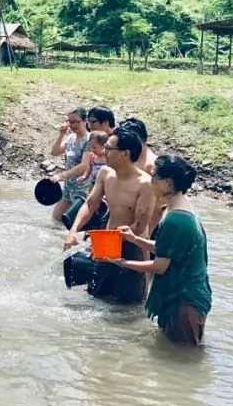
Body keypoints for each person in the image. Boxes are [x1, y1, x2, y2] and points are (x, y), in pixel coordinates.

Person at [106, 155, 212, 347]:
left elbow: (160, 266)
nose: (150, 180)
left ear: (168, 183)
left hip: (184, 301)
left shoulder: (175, 220)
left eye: (154, 176)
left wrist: (120, 262)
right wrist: (135, 239)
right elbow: (167, 248)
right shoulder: (177, 208)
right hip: (184, 295)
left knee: (183, 359)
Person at [62, 126, 155, 303]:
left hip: (132, 249)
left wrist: (103, 242)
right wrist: (73, 231)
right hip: (107, 246)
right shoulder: (105, 173)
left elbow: (139, 226)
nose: (104, 152)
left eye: (109, 149)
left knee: (127, 308)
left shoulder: (145, 183)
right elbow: (90, 203)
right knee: (96, 298)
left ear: (125, 154)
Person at [48, 108, 89, 222]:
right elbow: (54, 152)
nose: (72, 125)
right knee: (55, 220)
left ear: (85, 121)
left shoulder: (90, 140)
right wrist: (61, 135)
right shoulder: (71, 138)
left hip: (82, 190)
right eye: (70, 122)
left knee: (73, 224)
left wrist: (61, 176)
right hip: (68, 188)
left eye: (76, 122)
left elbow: (84, 165)